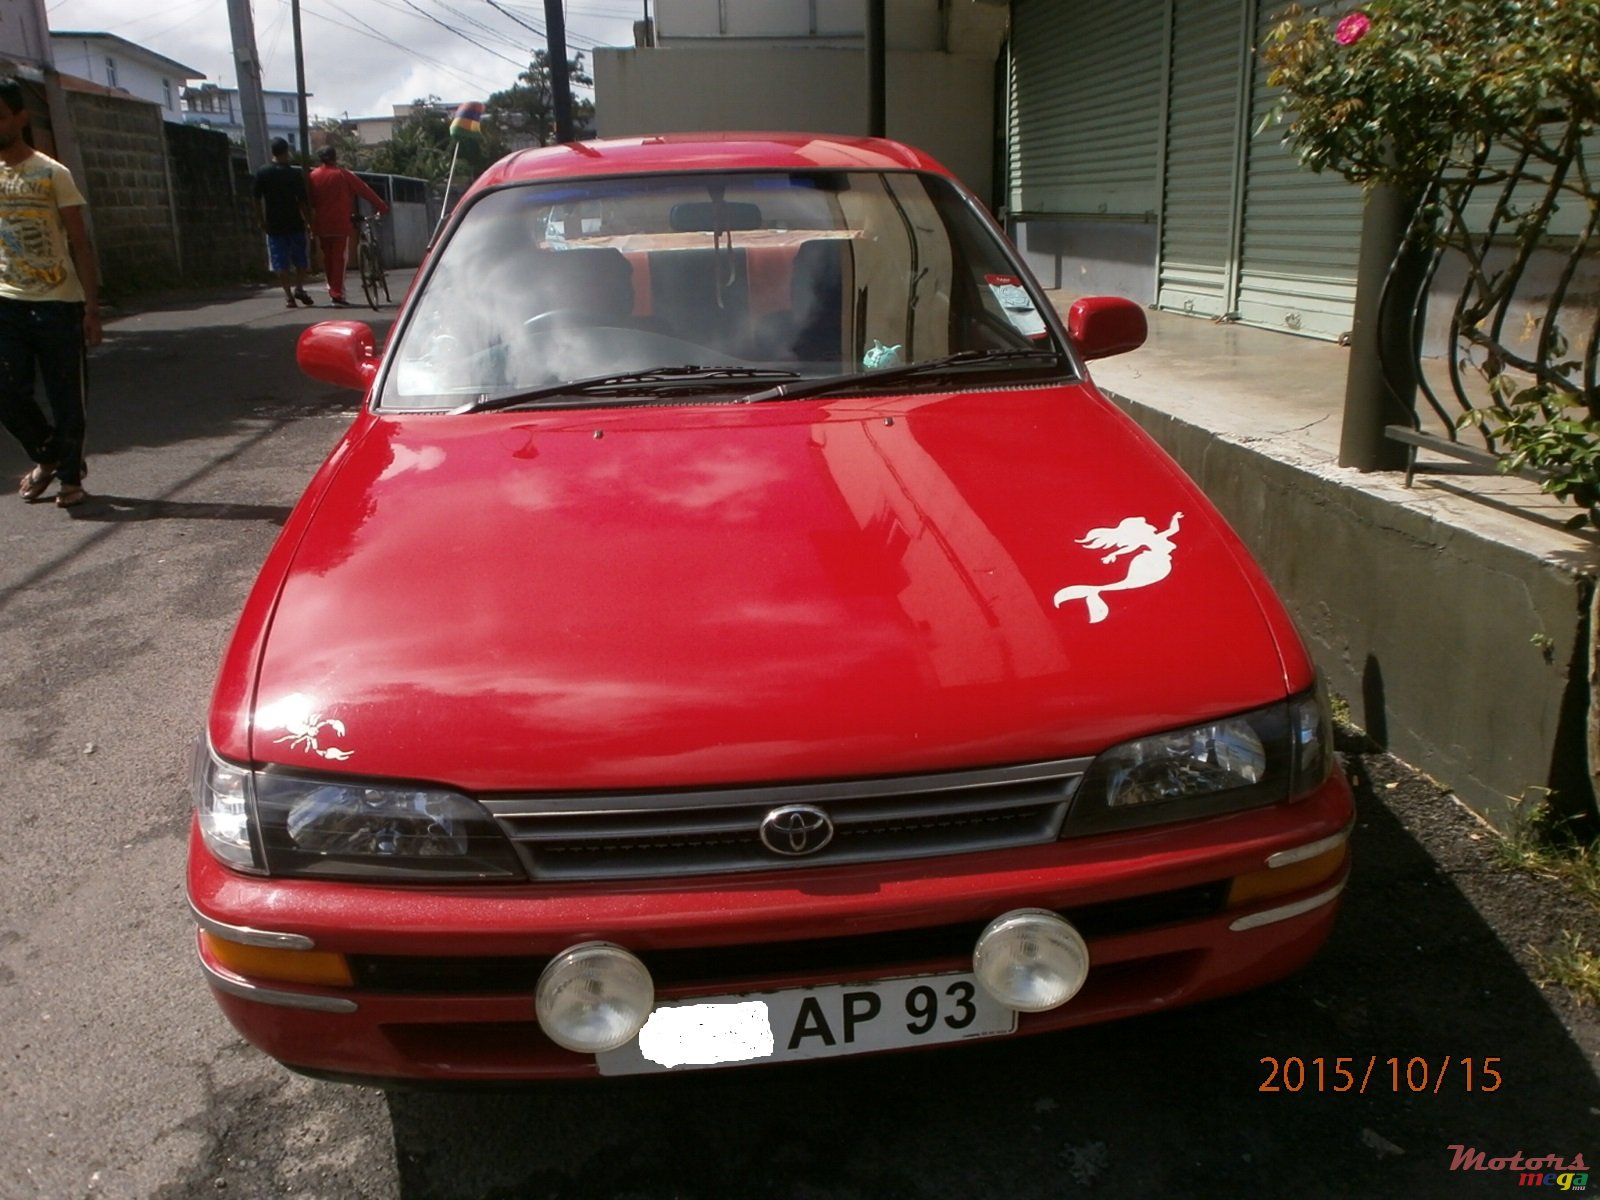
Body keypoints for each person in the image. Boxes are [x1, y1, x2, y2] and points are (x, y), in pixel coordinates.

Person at [0, 78, 101, 510]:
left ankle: (69, 478)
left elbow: (81, 242)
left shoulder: (52, 173)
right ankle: (51, 456)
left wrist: (92, 309)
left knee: (66, 397)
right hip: (7, 301)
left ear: (20, 118)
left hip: (59, 302)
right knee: (7, 390)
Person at [307, 146, 389, 307]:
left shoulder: (312, 176)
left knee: (328, 258)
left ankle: (332, 289)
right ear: (334, 158)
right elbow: (364, 190)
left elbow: (308, 200)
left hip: (321, 225)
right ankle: (337, 293)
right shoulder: (343, 175)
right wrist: (382, 207)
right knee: (339, 259)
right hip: (340, 224)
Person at [253, 137, 314, 309]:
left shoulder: (263, 173)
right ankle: (299, 288)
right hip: (294, 223)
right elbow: (302, 201)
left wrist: (260, 220)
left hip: (274, 225)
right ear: (286, 152)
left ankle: (289, 296)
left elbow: (256, 199)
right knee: (300, 259)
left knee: (280, 262)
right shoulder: (293, 174)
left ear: (272, 152)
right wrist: (309, 222)